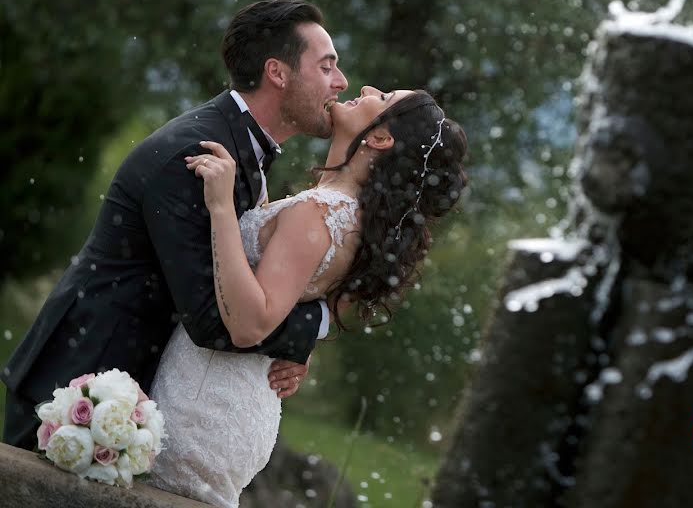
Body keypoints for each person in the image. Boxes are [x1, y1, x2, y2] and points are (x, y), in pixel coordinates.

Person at [1, 0, 347, 450]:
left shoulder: (238, 148)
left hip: (127, 393)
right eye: (326, 67)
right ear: (277, 73)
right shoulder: (192, 156)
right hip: (76, 391)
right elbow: (210, 317)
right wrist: (311, 324)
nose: (340, 82)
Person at [145, 86, 468, 507]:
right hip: (233, 399)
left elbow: (250, 322)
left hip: (204, 405)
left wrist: (222, 208)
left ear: (380, 138)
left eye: (384, 97)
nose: (366, 89)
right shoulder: (346, 216)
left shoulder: (318, 214)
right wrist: (302, 346)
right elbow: (300, 303)